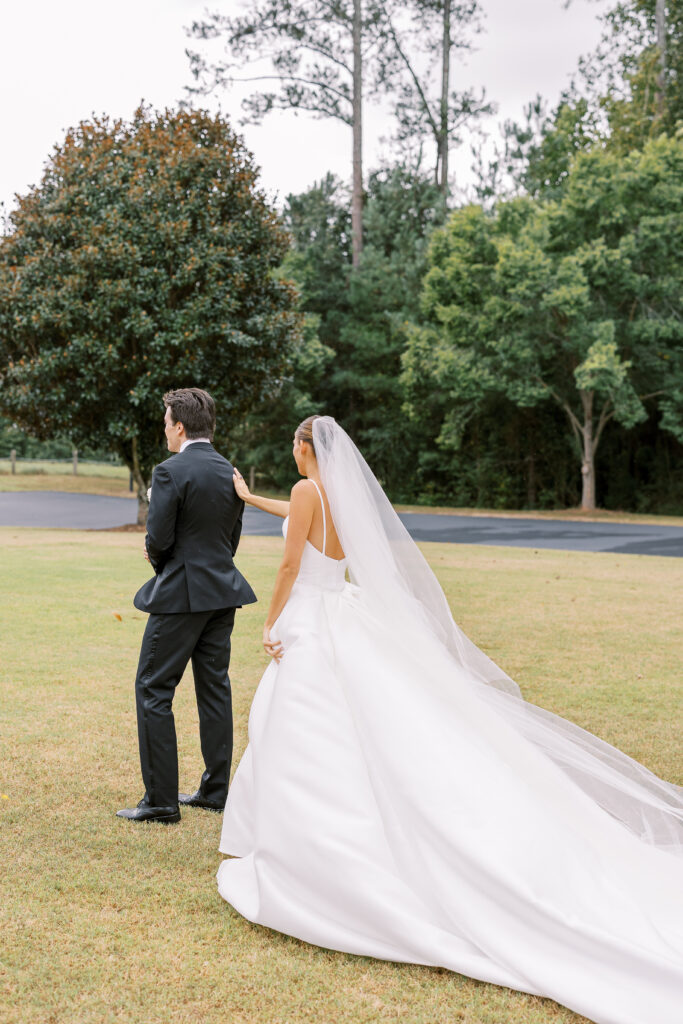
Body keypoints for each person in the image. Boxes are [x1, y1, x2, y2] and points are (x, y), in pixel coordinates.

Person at [217, 414, 683, 1024]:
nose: (295, 455)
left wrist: (271, 621)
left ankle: (309, 848)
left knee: (306, 725)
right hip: (343, 608)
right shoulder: (339, 501)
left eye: (295, 446)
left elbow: (287, 564)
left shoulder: (309, 491)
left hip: (309, 612)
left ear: (307, 449)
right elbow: (305, 516)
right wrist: (251, 498)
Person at [117, 388, 256, 824]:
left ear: (179, 426)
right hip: (222, 592)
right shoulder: (228, 471)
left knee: (153, 688)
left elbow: (157, 540)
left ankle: (160, 801)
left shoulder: (169, 471)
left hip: (182, 595)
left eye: (165, 421)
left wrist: (161, 561)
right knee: (214, 688)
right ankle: (215, 792)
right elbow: (230, 540)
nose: (164, 428)